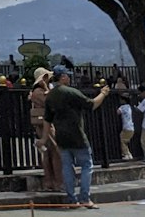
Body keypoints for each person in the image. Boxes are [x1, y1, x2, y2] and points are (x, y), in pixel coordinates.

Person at [44, 65, 110, 208]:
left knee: (67, 167)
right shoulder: (71, 92)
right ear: (62, 77)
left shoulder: (50, 95)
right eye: (67, 75)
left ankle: (71, 199)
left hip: (61, 136)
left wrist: (43, 138)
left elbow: (47, 119)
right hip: (77, 135)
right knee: (87, 165)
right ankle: (85, 197)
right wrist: (103, 93)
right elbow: (91, 105)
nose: (69, 77)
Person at [30, 67, 62, 192]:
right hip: (45, 125)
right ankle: (55, 181)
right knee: (54, 151)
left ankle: (50, 182)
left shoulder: (39, 92)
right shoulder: (40, 92)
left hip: (43, 125)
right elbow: (52, 103)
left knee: (48, 152)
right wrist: (47, 88)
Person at [117, 93, 134, 159]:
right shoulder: (129, 107)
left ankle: (126, 154)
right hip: (131, 127)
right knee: (125, 141)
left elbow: (118, 112)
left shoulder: (123, 107)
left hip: (126, 127)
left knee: (122, 140)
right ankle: (129, 154)